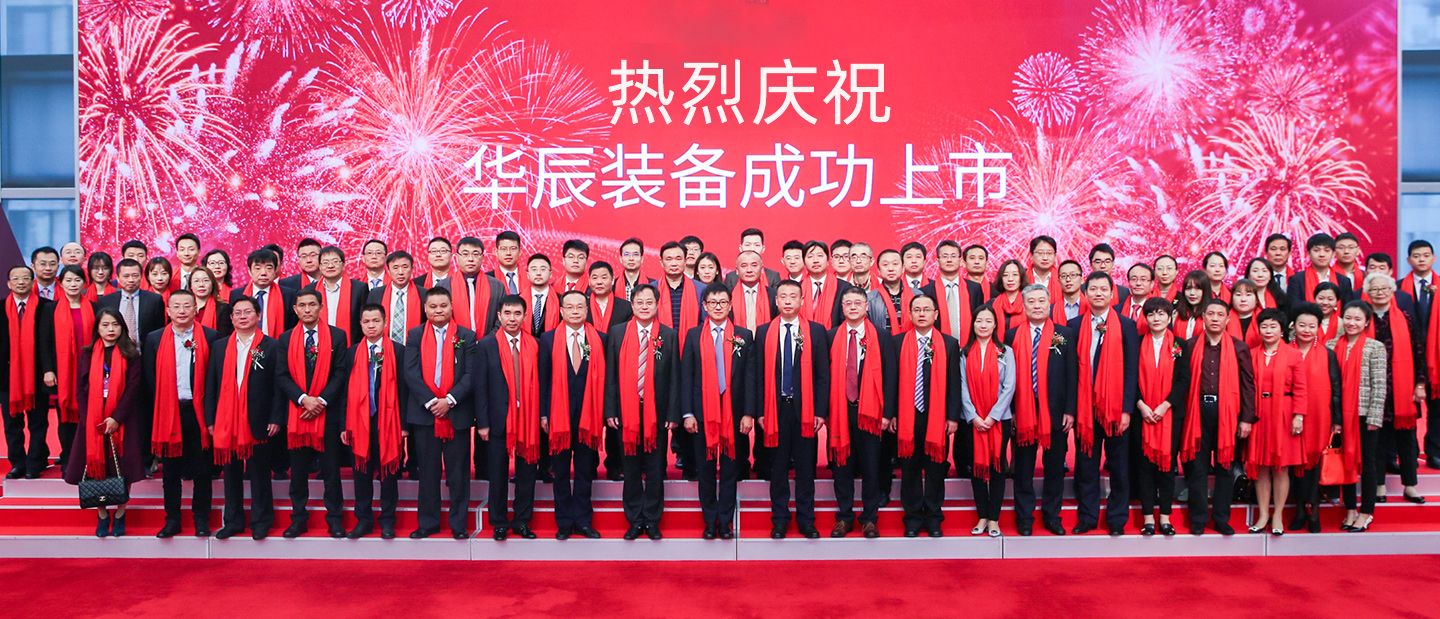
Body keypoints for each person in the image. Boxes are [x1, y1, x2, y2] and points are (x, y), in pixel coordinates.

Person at [752, 280, 830, 539]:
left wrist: (820, 411)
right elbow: (759, 376)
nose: (787, 301)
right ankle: (780, 520)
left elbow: (823, 375)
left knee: (806, 469)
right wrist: (760, 411)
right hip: (775, 410)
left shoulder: (816, 331)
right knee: (778, 468)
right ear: (776, 301)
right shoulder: (764, 332)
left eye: (793, 296)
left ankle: (806, 520)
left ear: (802, 300)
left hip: (805, 411)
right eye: (782, 296)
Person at [682, 283, 757, 540]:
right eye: (712, 302)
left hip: (733, 415)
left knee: (729, 471)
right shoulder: (693, 335)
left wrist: (748, 413)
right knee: (705, 472)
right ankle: (709, 521)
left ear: (730, 305)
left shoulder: (743, 335)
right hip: (702, 414)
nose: (717, 307)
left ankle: (725, 522)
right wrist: (687, 413)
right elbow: (686, 376)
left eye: (723, 302)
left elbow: (750, 378)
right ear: (704, 306)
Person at [605, 285, 680, 541]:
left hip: (656, 413)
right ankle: (635, 520)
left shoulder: (668, 335)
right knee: (631, 469)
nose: (645, 306)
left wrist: (673, 414)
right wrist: (611, 409)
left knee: (656, 468)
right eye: (640, 302)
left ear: (657, 305)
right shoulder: (617, 333)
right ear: (632, 305)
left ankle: (652, 520)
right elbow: (610, 375)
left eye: (649, 302)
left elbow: (674, 377)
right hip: (626, 412)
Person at [1067, 272, 1139, 536]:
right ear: (1085, 294)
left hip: (1116, 409)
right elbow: (1070, 371)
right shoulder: (1073, 326)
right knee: (1086, 466)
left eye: (1103, 289)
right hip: (1085, 409)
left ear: (1112, 293)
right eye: (1093, 289)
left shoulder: (1127, 326)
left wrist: (1126, 409)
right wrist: (1071, 409)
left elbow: (1131, 370)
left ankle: (1117, 519)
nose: (1098, 293)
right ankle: (1087, 517)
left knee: (1119, 467)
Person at [144, 289, 220, 538]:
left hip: (198, 412)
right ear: (168, 311)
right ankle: (173, 519)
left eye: (187, 306)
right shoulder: (154, 338)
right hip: (168, 411)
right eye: (176, 306)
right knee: (171, 471)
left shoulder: (210, 336)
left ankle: (201, 518)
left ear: (196, 309)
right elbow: (149, 379)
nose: (182, 311)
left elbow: (214, 379)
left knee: (202, 469)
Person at [206, 296, 283, 540]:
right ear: (231, 318)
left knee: (260, 473)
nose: (242, 316)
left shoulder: (271, 346)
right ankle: (233, 521)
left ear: (258, 315)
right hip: (227, 420)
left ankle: (261, 521)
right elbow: (211, 384)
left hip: (258, 418)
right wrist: (210, 419)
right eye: (237, 313)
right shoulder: (220, 347)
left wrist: (276, 417)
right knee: (230, 474)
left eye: (247, 312)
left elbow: (278, 385)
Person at [1177, 299, 1256, 536]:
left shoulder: (1239, 348)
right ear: (1203, 317)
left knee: (1225, 467)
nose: (1214, 318)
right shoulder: (1190, 345)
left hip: (1228, 414)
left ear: (1227, 319)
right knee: (1198, 468)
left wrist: (1246, 419)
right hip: (1196, 411)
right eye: (1210, 313)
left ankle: (1221, 518)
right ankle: (1198, 518)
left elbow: (1248, 386)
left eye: (1220, 314)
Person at [274, 290, 349, 538]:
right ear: (295, 309)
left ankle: (335, 519)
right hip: (297, 413)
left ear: (321, 307)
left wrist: (321, 401)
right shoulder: (285, 339)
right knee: (298, 472)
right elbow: (282, 375)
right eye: (302, 305)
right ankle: (298, 519)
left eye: (312, 304)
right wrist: (303, 399)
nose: (307, 309)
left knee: (331, 471)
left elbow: (340, 373)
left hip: (328, 414)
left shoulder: (337, 336)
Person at [63, 308, 143, 537]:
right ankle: (102, 514)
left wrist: (116, 418)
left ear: (122, 327)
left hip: (122, 418)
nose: (110, 329)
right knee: (96, 465)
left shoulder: (131, 354)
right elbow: (80, 388)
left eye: (115, 325)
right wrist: (90, 417)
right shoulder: (88, 354)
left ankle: (120, 513)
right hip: (93, 419)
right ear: (97, 328)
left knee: (122, 467)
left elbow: (132, 389)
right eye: (105, 325)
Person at [406, 287, 478, 540]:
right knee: (428, 472)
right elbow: (410, 372)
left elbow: (470, 374)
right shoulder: (415, 335)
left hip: (456, 413)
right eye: (433, 306)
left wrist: (449, 400)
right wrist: (431, 402)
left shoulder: (466, 336)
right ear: (425, 309)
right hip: (425, 415)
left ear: (451, 307)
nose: (438, 310)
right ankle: (428, 523)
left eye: (443, 306)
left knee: (458, 473)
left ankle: (458, 524)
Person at [823, 287, 895, 538]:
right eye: (848, 303)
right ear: (842, 308)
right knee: (841, 465)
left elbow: (890, 376)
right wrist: (824, 412)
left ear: (866, 307)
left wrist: (888, 413)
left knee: (871, 467)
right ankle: (844, 517)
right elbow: (824, 377)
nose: (853, 307)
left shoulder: (882, 337)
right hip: (840, 411)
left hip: (871, 413)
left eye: (858, 303)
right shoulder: (831, 336)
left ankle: (869, 518)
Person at [1007, 283, 1076, 537]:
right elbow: (1007, 377)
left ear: (1049, 304)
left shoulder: (1064, 334)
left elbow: (1072, 374)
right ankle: (1024, 517)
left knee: (1054, 466)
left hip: (1055, 410)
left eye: (1041, 301)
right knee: (1023, 467)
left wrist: (1070, 409)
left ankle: (1051, 516)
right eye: (1031, 301)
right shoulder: (1011, 335)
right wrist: (1011, 410)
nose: (1037, 306)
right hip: (1023, 409)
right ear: (1024, 306)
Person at [890, 294, 960, 537]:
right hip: (907, 416)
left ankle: (933, 518)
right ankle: (911, 518)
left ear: (936, 314)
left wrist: (952, 416)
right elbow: (892, 382)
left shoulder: (949, 344)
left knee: (935, 468)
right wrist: (892, 414)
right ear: (909, 314)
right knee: (909, 469)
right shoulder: (897, 342)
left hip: (937, 418)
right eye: (917, 310)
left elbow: (954, 383)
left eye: (927, 309)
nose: (922, 314)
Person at [540, 291, 608, 540]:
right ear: (561, 311)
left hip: (589, 416)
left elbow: (606, 380)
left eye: (580, 306)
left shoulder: (599, 339)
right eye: (570, 307)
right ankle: (564, 522)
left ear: (587, 310)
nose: (575, 311)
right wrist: (543, 414)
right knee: (560, 471)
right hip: (558, 416)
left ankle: (583, 521)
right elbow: (543, 380)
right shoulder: (548, 339)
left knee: (584, 470)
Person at [479, 295, 543, 541]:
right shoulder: (487, 345)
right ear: (499, 316)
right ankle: (499, 522)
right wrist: (483, 423)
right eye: (507, 313)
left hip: (528, 419)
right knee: (498, 474)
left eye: (517, 313)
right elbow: (480, 387)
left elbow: (543, 383)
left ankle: (522, 521)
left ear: (525, 316)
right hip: (498, 419)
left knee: (527, 473)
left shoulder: (536, 345)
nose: (512, 318)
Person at [341, 305, 407, 539]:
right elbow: (344, 391)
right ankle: (364, 520)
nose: (371, 325)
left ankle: (388, 520)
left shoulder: (398, 351)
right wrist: (343, 425)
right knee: (361, 472)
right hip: (359, 422)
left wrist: (404, 426)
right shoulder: (351, 353)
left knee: (388, 472)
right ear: (360, 324)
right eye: (366, 321)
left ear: (385, 323)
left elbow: (404, 389)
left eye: (376, 321)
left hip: (389, 421)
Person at [1361, 274, 1427, 504]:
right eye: (1374, 289)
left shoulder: (1405, 317)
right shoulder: (1363, 319)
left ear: (1392, 291)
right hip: (1373, 390)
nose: (1380, 293)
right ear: (1367, 293)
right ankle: (1379, 485)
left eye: (1384, 288)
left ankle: (1410, 486)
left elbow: (1418, 351)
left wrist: (1420, 384)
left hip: (1402, 389)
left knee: (1406, 440)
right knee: (1376, 440)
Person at [1246, 308, 1308, 536]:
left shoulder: (1293, 355)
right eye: (1264, 326)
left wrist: (1298, 416)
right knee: (1261, 466)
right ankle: (1263, 514)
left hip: (1284, 413)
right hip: (1258, 413)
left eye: (1273, 326)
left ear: (1282, 330)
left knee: (1281, 467)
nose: (1268, 331)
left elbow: (1301, 388)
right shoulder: (1251, 353)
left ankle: (1278, 514)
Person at [1329, 301, 1388, 532]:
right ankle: (1350, 510)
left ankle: (1366, 512)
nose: (1352, 323)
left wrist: (1375, 416)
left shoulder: (1375, 347)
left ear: (1366, 322)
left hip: (1364, 415)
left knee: (1368, 462)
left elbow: (1379, 385)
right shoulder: (1332, 345)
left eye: (1357, 319)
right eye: (1348, 318)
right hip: (1339, 415)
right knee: (1345, 462)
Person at [959, 304, 1015, 538]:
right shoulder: (964, 353)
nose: (983, 325)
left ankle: (993, 518)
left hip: (999, 420)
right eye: (979, 321)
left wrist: (992, 416)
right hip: (973, 421)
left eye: (988, 321)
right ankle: (982, 515)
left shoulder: (1005, 352)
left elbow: (1009, 386)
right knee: (977, 468)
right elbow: (962, 387)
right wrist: (973, 416)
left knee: (997, 468)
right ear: (973, 324)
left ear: (995, 325)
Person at [1288, 303, 1342, 533]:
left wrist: (1337, 420)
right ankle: (1300, 511)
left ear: (1318, 327)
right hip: (1290, 416)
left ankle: (1315, 513)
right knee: (1295, 464)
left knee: (1315, 464)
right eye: (1302, 325)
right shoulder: (1284, 350)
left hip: (1320, 417)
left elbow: (1336, 388)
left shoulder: (1328, 354)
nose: (1307, 330)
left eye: (1312, 326)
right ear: (1294, 326)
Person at [1134, 298, 1184, 536]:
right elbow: (1129, 378)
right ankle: (1147, 518)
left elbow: (1183, 380)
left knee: (1167, 466)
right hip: (1141, 414)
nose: (1156, 318)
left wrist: (1165, 405)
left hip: (1169, 415)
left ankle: (1165, 517)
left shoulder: (1180, 345)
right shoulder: (1136, 343)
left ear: (1169, 317)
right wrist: (1141, 406)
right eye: (1152, 314)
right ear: (1145, 318)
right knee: (1144, 467)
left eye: (1161, 314)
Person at [3, 265, 54, 479]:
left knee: (38, 423)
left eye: (25, 278)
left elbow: (49, 342)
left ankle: (35, 463)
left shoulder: (46, 307)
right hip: (7, 377)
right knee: (12, 424)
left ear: (33, 282)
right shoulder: (1, 308)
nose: (21, 282)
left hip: (38, 374)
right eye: (16, 278)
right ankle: (17, 463)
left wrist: (49, 370)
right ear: (9, 283)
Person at [43, 266, 94, 472]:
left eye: (77, 280)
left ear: (84, 283)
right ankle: (68, 460)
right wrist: (48, 369)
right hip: (62, 374)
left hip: (89, 371)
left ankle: (88, 457)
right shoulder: (50, 309)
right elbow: (44, 342)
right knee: (65, 418)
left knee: (88, 416)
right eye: (69, 280)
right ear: (61, 283)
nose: (73, 284)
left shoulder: (94, 308)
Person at [1397, 240, 1438, 470]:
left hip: (1437, 356)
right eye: (1416, 255)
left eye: (1425, 255)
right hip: (1408, 356)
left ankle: (1434, 452)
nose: (1421, 259)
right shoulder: (1397, 288)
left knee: (1437, 407)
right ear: (1408, 260)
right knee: (1408, 407)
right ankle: (1409, 454)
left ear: (1433, 258)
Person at [923, 241, 984, 345]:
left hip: (969, 347)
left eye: (953, 256)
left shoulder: (974, 288)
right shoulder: (926, 291)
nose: (949, 260)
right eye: (945, 256)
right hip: (937, 346)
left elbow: (979, 319)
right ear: (937, 261)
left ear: (960, 261)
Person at [230, 248, 297, 339]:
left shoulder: (289, 295)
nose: (263, 273)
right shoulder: (237, 294)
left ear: (275, 271)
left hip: (277, 345)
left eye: (269, 268)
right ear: (249, 271)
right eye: (257, 269)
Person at [307, 245, 368, 344]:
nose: (330, 266)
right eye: (325, 262)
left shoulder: (359, 288)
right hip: (318, 344)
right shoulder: (310, 290)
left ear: (343, 265)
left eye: (335, 261)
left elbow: (364, 320)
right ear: (320, 267)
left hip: (351, 345)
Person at [367, 251, 424, 346]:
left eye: (405, 267)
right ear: (388, 271)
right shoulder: (376, 294)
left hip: (414, 348)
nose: (400, 272)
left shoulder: (423, 294)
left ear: (412, 269)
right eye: (395, 268)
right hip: (383, 349)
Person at [450, 237, 504, 335]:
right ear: (457, 257)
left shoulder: (497, 286)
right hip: (455, 341)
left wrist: (488, 340)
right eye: (465, 254)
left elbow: (503, 317)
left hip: (489, 341)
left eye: (475, 254)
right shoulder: (444, 286)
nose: (470, 259)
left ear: (482, 257)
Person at [799, 241, 851, 330]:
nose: (815, 260)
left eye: (820, 256)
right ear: (804, 262)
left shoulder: (844, 288)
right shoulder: (797, 288)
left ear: (828, 260)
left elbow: (846, 321)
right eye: (810, 257)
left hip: (834, 336)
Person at [1289, 233, 1353, 304]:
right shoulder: (1297, 280)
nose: (1322, 254)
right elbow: (1294, 307)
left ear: (1333, 254)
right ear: (1308, 254)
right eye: (1316, 250)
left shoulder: (1343, 281)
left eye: (1327, 250)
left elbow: (1347, 308)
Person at [867, 248, 914, 335]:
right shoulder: (870, 299)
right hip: (881, 342)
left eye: (895, 264)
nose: (891, 269)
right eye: (885, 265)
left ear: (903, 268)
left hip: (911, 342)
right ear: (879, 271)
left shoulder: (917, 295)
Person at [524, 253, 561, 339]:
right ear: (528, 275)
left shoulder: (561, 300)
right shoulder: (519, 300)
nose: (538, 273)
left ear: (550, 274)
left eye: (543, 269)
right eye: (534, 269)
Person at [586, 262, 632, 331]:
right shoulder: (582, 306)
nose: (599, 282)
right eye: (595, 278)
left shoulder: (626, 307)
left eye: (604, 278)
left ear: (612, 280)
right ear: (589, 281)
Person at [188, 267, 233, 336]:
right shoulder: (185, 308)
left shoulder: (224, 308)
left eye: (206, 280)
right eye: (196, 281)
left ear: (212, 284)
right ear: (190, 285)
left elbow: (224, 337)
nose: (201, 285)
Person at [989, 259, 1027, 333]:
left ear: (1021, 277)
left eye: (1015, 274)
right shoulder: (991, 304)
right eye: (1005, 275)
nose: (1010, 279)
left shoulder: (1029, 303)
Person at [1173, 270, 1211, 340]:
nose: (1192, 293)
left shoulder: (1211, 316)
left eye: (1197, 288)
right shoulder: (1176, 314)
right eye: (1188, 288)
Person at [1228, 280, 1263, 349]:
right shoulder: (1224, 319)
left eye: (1248, 295)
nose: (1243, 299)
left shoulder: (1264, 319)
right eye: (1238, 295)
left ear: (1256, 299)